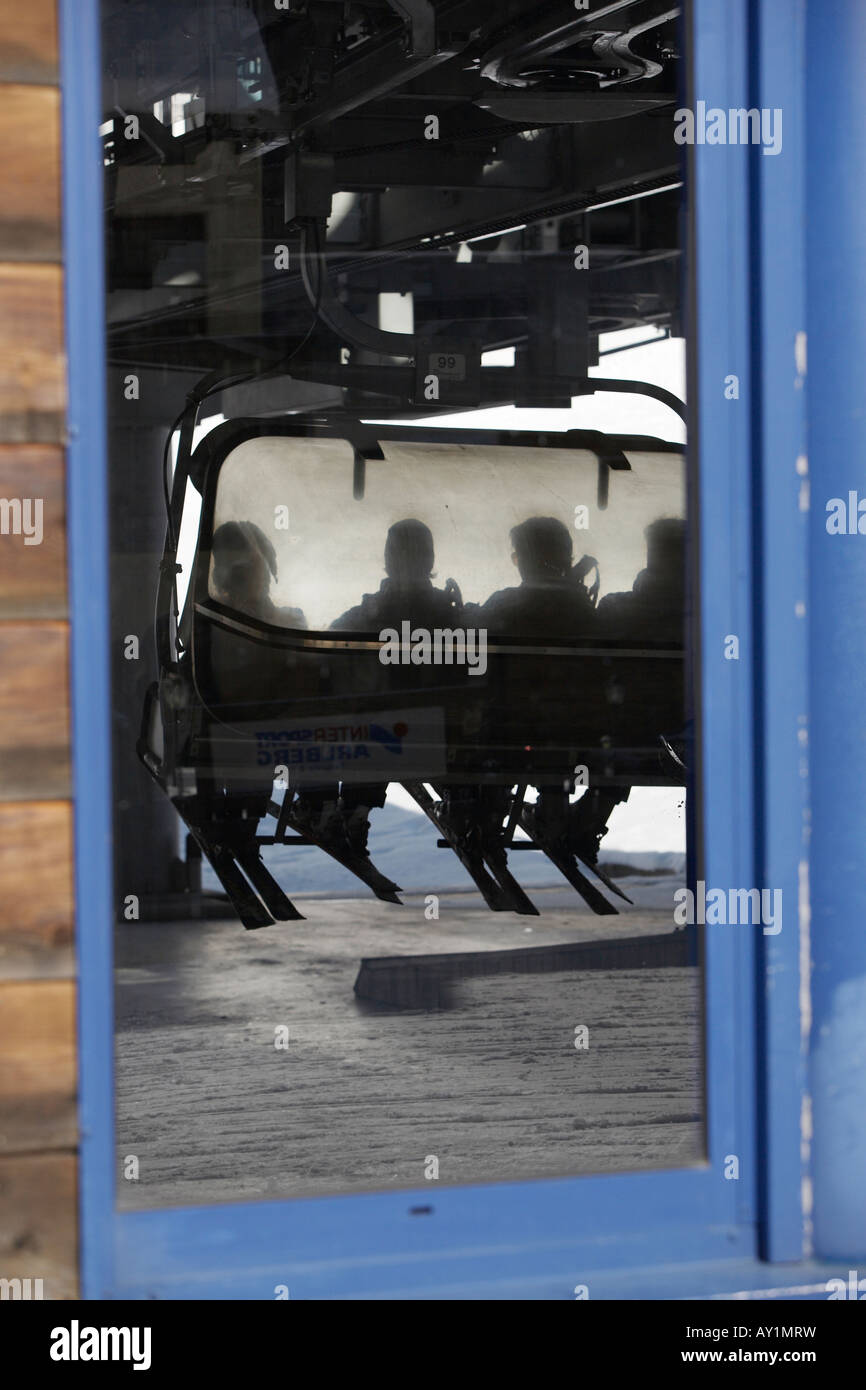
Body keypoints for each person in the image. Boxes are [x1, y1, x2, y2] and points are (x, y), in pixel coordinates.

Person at [296, 519, 463, 855]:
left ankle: (328, 807)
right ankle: (357, 810)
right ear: (430, 561)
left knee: (329, 714)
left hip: (377, 738)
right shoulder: (452, 617)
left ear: (387, 559)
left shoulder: (365, 617)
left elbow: (324, 659)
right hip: (441, 741)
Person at [211, 520, 306, 630]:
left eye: (249, 566)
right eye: (232, 569)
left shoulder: (293, 620)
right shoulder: (211, 615)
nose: (243, 577)